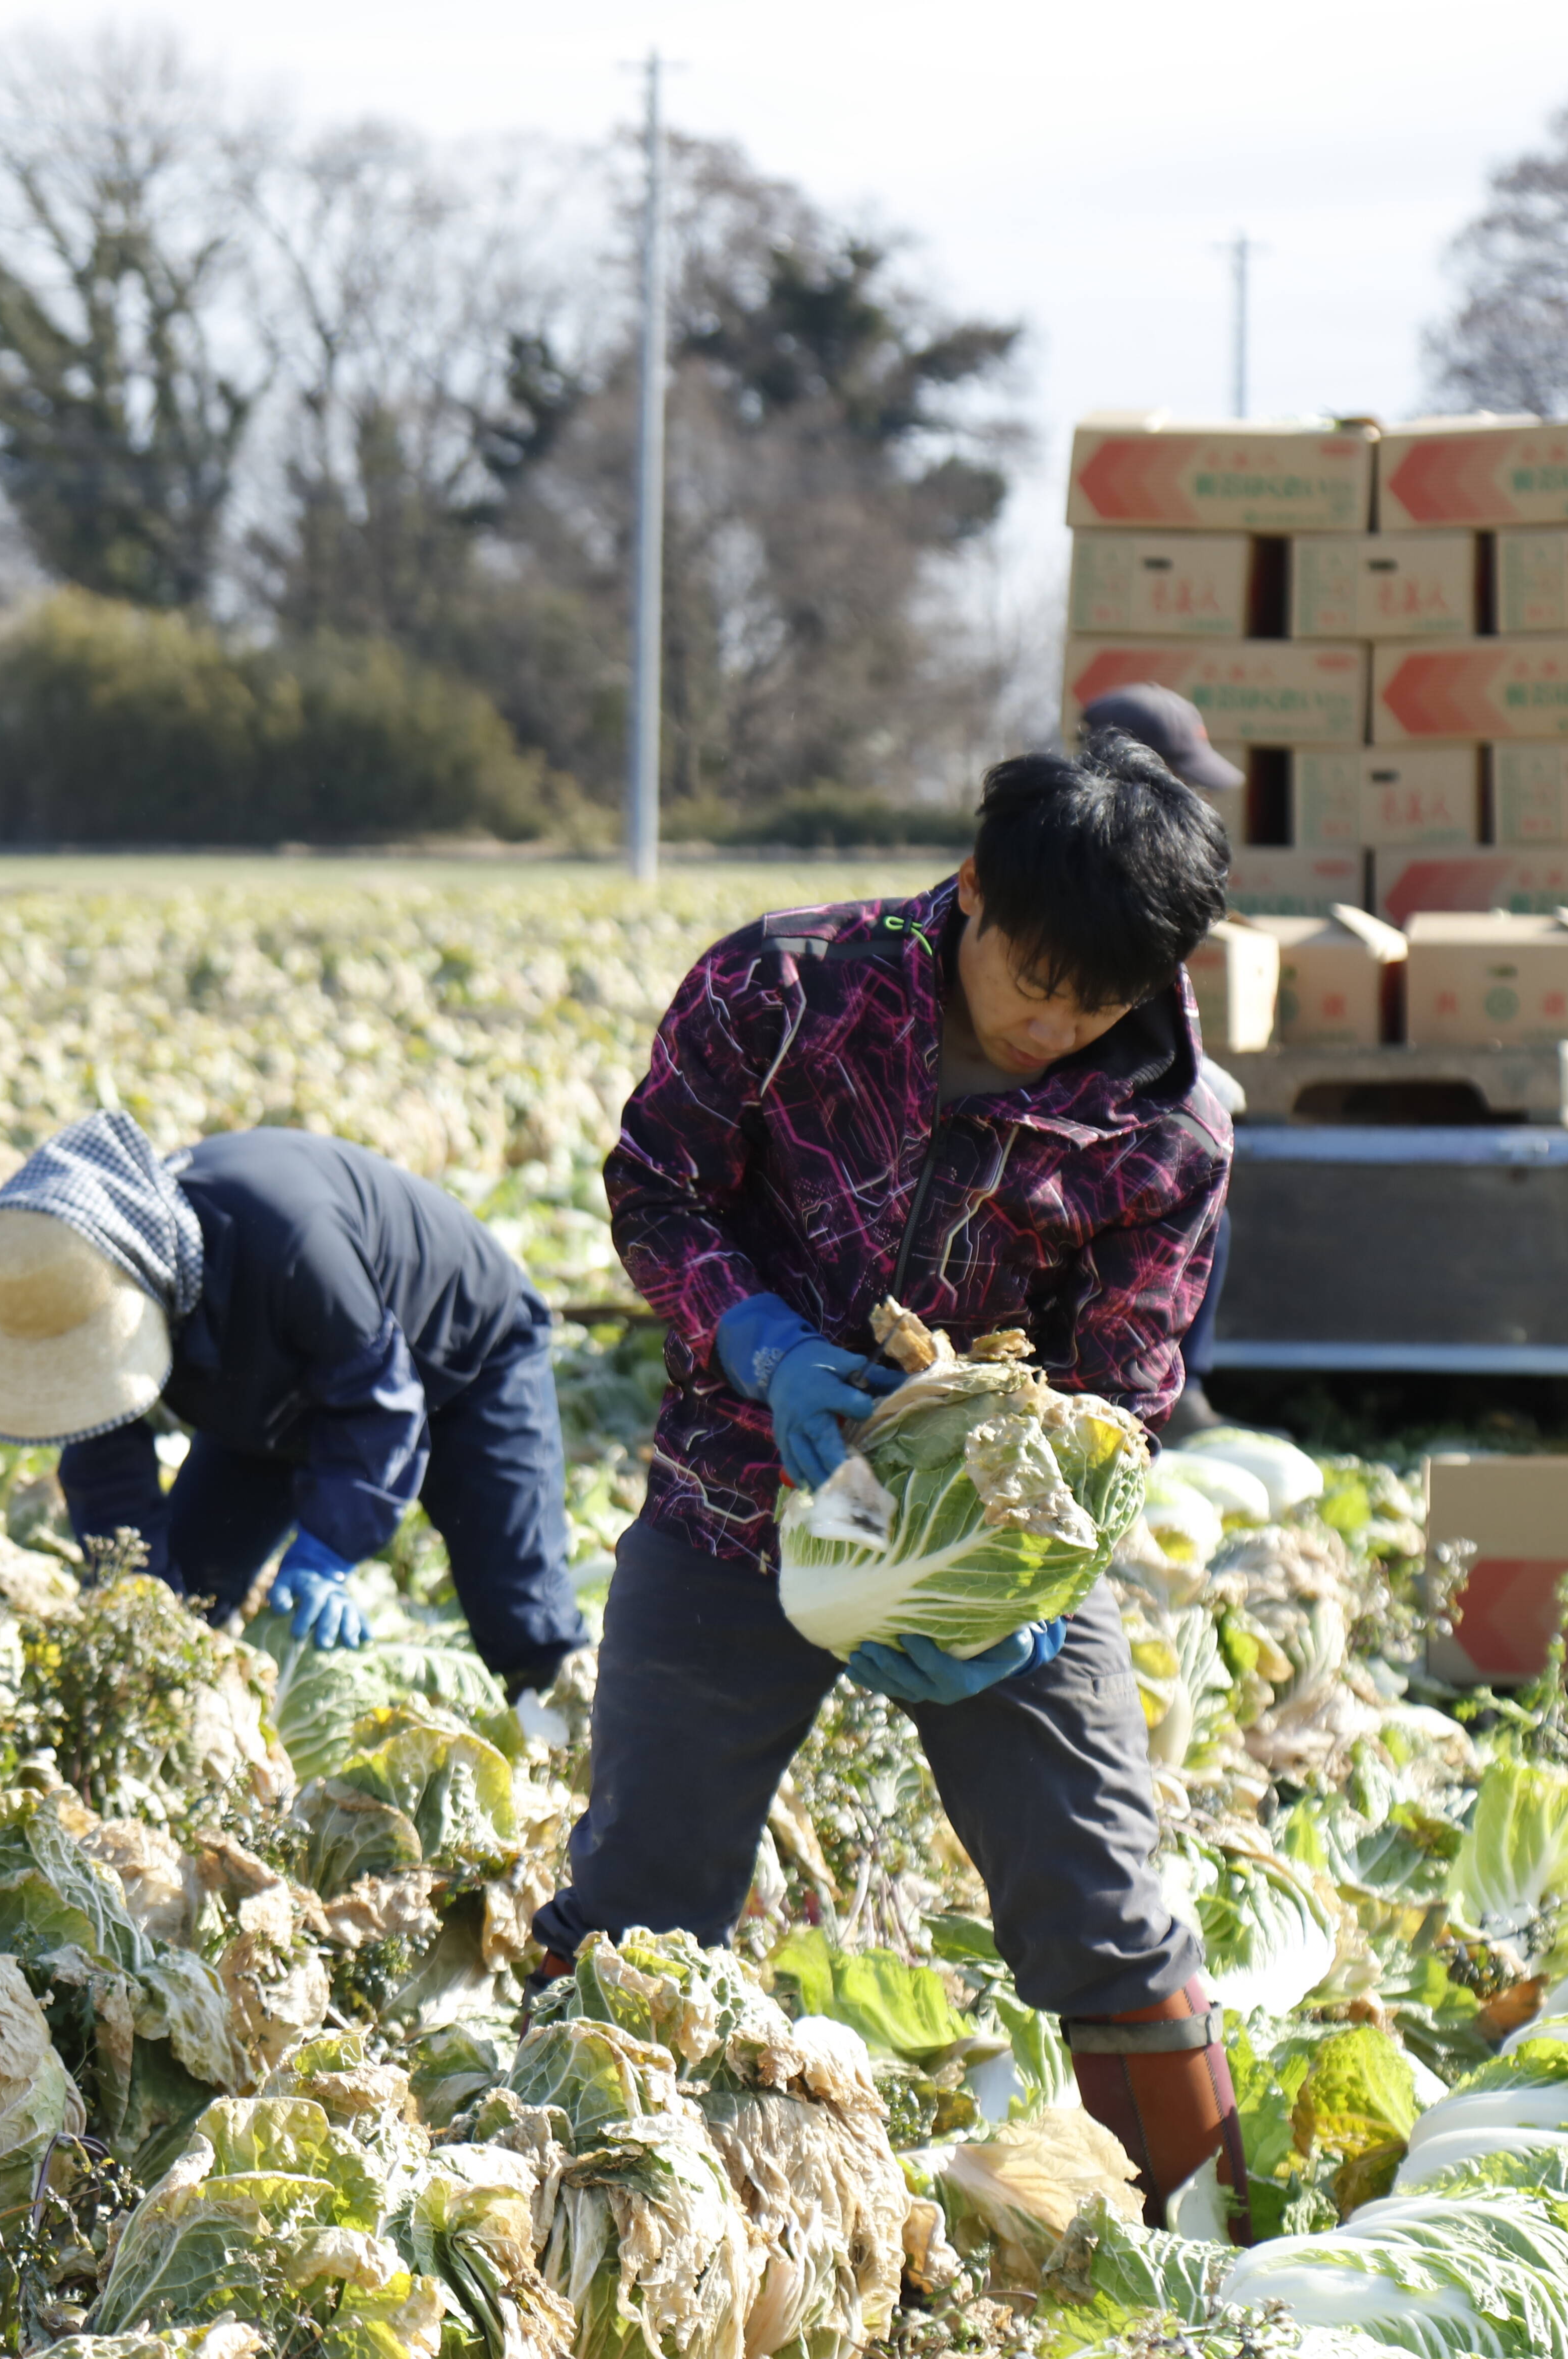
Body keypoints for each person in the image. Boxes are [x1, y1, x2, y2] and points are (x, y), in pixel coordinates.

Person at [527, 733, 1249, 2230]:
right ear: (973, 890)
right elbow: (652, 1185)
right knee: (637, 1895)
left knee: (1104, 1897)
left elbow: (1120, 1392)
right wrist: (758, 1339)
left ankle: (1208, 2259)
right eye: (1032, 976)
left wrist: (1028, 1593)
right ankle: (559, 2217)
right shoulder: (784, 987)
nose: (1054, 1022)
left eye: (1099, 998)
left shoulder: (1168, 1127)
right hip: (739, 1489)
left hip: (989, 1550)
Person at [0, 1112, 589, 1720]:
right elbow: (104, 1466)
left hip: (467, 1353)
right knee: (185, 1593)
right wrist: (131, 1603)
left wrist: (326, 1552)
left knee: (518, 1611)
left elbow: (381, 1402)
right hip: (269, 1388)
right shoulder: (94, 1282)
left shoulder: (289, 1235)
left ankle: (570, 1736)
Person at [1080, 681, 1247, 1438]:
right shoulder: (1083, 850)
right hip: (1079, 1076)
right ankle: (1161, 1393)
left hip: (1119, 1063)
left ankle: (1175, 1384)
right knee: (1189, 1167)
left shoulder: (1162, 848)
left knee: (1208, 1162)